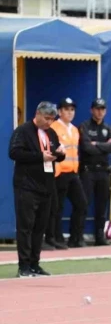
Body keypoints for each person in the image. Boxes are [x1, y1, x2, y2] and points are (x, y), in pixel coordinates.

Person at [9, 101, 66, 278]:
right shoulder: (23, 131)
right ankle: (24, 266)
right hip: (26, 185)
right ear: (38, 114)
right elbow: (14, 153)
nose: (49, 122)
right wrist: (40, 156)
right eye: (46, 118)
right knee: (26, 226)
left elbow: (55, 155)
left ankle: (35, 263)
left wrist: (60, 154)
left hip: (46, 185)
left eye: (52, 119)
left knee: (40, 227)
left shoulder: (51, 133)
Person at [46, 97, 88, 249]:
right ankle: (56, 238)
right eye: (66, 109)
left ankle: (75, 237)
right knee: (57, 207)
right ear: (59, 111)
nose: (70, 113)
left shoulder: (75, 130)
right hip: (59, 173)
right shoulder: (54, 128)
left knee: (81, 203)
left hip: (72, 172)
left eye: (72, 110)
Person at [79, 98, 111, 246]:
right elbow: (87, 147)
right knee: (83, 204)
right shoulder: (85, 126)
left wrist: (97, 144)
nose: (100, 112)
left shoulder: (108, 128)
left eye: (102, 109)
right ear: (92, 110)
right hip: (88, 171)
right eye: (97, 109)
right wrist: (104, 146)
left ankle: (100, 237)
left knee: (102, 206)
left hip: (103, 172)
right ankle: (78, 236)